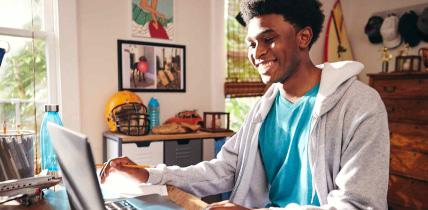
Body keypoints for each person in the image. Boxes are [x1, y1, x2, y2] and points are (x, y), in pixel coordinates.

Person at [100, 0, 390, 209]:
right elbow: (224, 169)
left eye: (269, 39)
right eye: (251, 43)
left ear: (304, 37)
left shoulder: (360, 105)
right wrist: (149, 174)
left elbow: (357, 205)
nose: (257, 52)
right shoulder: (264, 107)